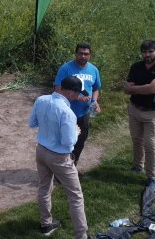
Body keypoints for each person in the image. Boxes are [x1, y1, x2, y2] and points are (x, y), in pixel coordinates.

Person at [29, 76, 89, 238]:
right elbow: (68, 143)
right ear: (70, 92)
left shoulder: (41, 100)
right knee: (75, 196)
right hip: (60, 158)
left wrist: (48, 125)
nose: (78, 96)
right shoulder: (68, 113)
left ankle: (46, 224)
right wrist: (76, 131)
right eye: (77, 93)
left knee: (44, 187)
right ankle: (82, 235)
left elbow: (32, 123)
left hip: (41, 151)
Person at [123, 39, 155, 186]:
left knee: (150, 144)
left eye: (151, 51)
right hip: (135, 109)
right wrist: (147, 87)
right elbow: (126, 89)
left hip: (153, 113)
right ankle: (138, 167)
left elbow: (153, 88)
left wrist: (136, 88)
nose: (147, 54)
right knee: (136, 140)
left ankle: (151, 177)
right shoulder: (136, 67)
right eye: (144, 52)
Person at [54, 43, 102, 175]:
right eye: (80, 53)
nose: (83, 56)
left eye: (86, 54)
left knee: (80, 142)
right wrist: (76, 98)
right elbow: (58, 90)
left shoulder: (93, 70)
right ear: (75, 54)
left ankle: (72, 168)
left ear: (90, 55)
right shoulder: (66, 69)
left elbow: (96, 88)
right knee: (65, 143)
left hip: (84, 113)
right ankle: (60, 170)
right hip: (67, 113)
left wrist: (95, 101)